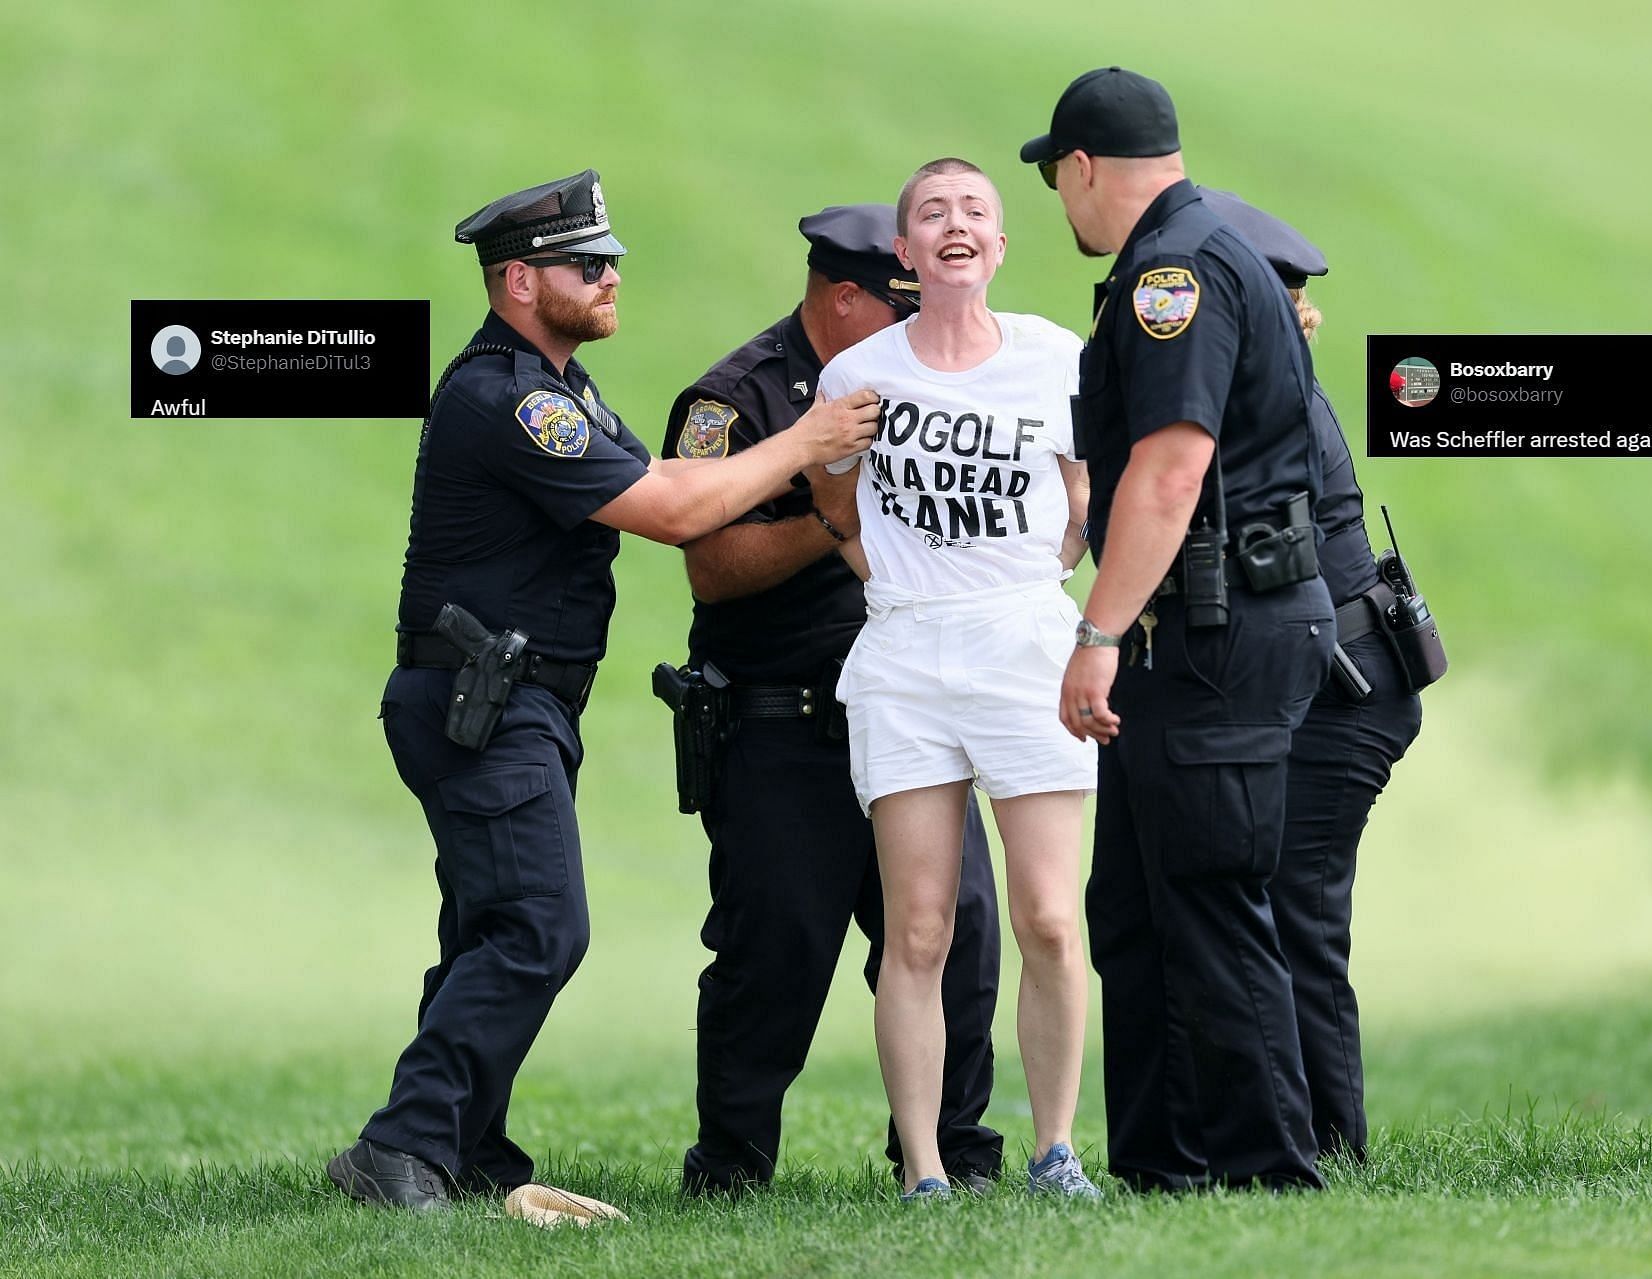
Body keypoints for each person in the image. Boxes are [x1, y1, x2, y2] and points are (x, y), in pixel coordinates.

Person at [327, 170, 881, 1211]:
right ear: (521, 283)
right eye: (589, 264)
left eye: (613, 256)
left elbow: (679, 488)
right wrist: (808, 444)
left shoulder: (564, 390)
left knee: (489, 926)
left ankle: (465, 1144)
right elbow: (675, 515)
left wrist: (790, 466)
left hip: (513, 700)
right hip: (485, 701)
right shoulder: (512, 400)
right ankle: (397, 1148)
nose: (613, 273)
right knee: (540, 924)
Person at [1024, 69, 1334, 1192]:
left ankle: (1264, 1174)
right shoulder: (1186, 250)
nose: (1063, 204)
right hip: (1200, 625)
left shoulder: (1172, 270)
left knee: (1204, 896)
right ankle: (1167, 1166)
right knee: (1139, 910)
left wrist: (1096, 631)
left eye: (1058, 180)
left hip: (1214, 627)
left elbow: (1168, 467)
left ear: (1083, 167)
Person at [662, 204, 1004, 1196]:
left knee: (962, 935)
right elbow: (714, 567)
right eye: (899, 305)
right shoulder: (737, 398)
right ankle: (731, 1165)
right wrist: (832, 511)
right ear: (843, 296)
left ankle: (951, 1158)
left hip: (913, 717)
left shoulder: (931, 380)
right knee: (773, 949)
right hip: (785, 723)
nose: (917, 325)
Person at [816, 158, 1100, 1201]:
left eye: (975, 211)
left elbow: (1085, 487)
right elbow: (834, 503)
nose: (955, 226)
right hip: (907, 654)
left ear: (1000, 244)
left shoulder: (1052, 358)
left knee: (1048, 917)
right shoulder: (858, 374)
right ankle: (926, 1168)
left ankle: (1054, 1149)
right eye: (932, 214)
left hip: (1026, 640)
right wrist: (890, 576)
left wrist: (1053, 567)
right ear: (904, 251)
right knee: (920, 925)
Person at [1199, 188, 1424, 1163]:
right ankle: (1304, 1132)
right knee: (1289, 907)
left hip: (1347, 684)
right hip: (1344, 671)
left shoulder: (1266, 389)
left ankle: (1332, 1145)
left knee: (1298, 911)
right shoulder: (1270, 378)